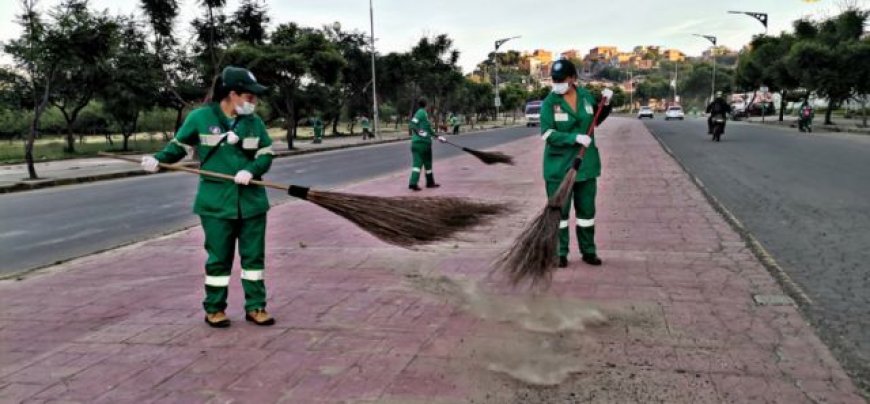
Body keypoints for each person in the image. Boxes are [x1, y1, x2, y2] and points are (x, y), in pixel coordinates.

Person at [141, 66, 276, 328]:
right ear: (232, 94)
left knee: (254, 259)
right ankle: (214, 309)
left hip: (252, 202)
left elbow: (266, 154)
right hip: (216, 203)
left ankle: (256, 306)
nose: (254, 102)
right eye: (250, 97)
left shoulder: (254, 123)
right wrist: (157, 160)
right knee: (218, 259)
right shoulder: (200, 118)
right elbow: (177, 148)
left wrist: (251, 169)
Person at [539, 59, 612, 268]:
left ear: (572, 78)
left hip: (586, 166)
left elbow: (594, 121)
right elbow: (547, 133)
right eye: (554, 79)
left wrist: (605, 106)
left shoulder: (586, 97)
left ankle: (588, 251)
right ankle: (559, 253)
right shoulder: (549, 103)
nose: (557, 83)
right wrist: (574, 138)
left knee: (586, 213)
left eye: (561, 79)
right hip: (559, 167)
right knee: (559, 214)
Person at [408, 98, 447, 191]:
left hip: (417, 144)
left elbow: (429, 130)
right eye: (428, 105)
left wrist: (438, 137)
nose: (429, 107)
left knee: (418, 164)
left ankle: (414, 183)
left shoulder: (424, 115)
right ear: (426, 105)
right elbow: (412, 124)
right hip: (423, 144)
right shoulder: (421, 112)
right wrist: (420, 132)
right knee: (427, 164)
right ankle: (429, 183)